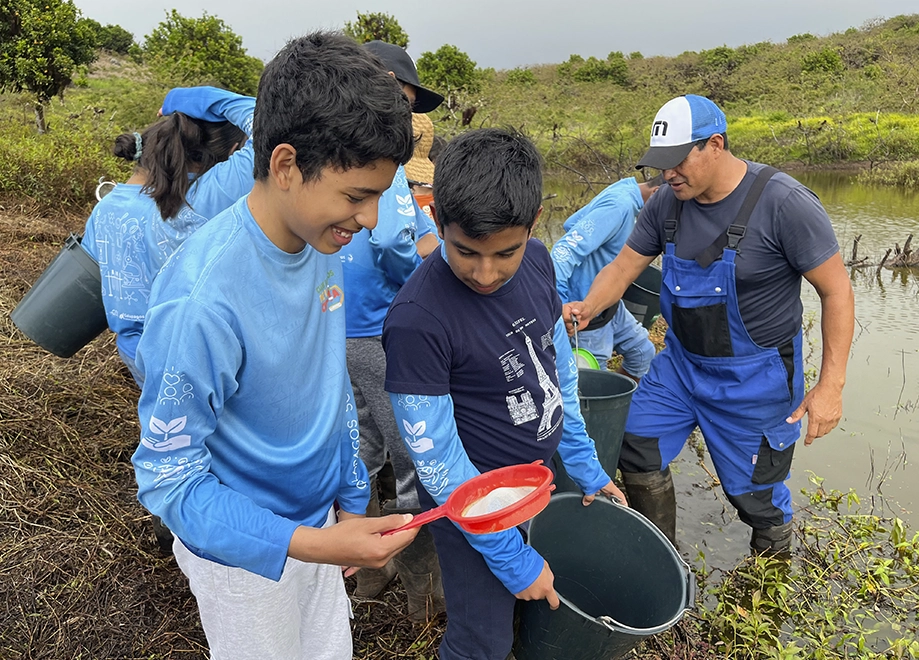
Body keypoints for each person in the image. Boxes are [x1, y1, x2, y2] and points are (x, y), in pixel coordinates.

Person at [130, 32, 420, 660]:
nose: (370, 220)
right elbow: (168, 481)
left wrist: (347, 501)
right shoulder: (203, 302)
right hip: (245, 557)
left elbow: (327, 387)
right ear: (286, 165)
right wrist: (310, 544)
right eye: (356, 196)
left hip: (317, 527)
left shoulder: (320, 244)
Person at [565, 94, 854, 556]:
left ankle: (772, 564)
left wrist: (831, 385)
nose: (667, 175)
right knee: (636, 441)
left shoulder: (784, 203)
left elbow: (837, 290)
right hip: (680, 366)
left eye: (677, 162)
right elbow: (622, 269)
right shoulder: (666, 206)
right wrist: (582, 310)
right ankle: (663, 557)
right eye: (660, 165)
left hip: (754, 379)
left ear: (715, 144)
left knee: (753, 496)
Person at [382, 128, 627, 660]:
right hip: (470, 504)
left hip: (535, 484)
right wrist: (513, 559)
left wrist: (585, 464)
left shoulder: (538, 262)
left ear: (534, 222)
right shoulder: (418, 321)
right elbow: (440, 465)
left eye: (504, 253)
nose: (485, 273)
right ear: (437, 220)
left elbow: (558, 368)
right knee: (481, 640)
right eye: (465, 251)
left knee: (521, 609)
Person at [341, 44, 445, 621]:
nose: (402, 121)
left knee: (363, 449)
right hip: (380, 336)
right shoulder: (387, 173)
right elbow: (394, 245)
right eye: (399, 104)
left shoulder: (334, 163)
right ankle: (417, 588)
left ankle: (369, 574)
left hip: (339, 332)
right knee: (413, 460)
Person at [82, 86, 254, 388]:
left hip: (137, 354)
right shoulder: (206, 197)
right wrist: (207, 99)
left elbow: (94, 275)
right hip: (199, 353)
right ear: (229, 152)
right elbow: (272, 127)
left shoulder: (107, 208)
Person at [550, 175, 662, 379]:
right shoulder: (619, 206)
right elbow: (562, 252)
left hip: (609, 304)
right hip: (583, 312)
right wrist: (562, 306)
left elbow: (571, 223)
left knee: (642, 353)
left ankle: (619, 405)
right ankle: (601, 408)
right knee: (593, 382)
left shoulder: (629, 195)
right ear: (657, 194)